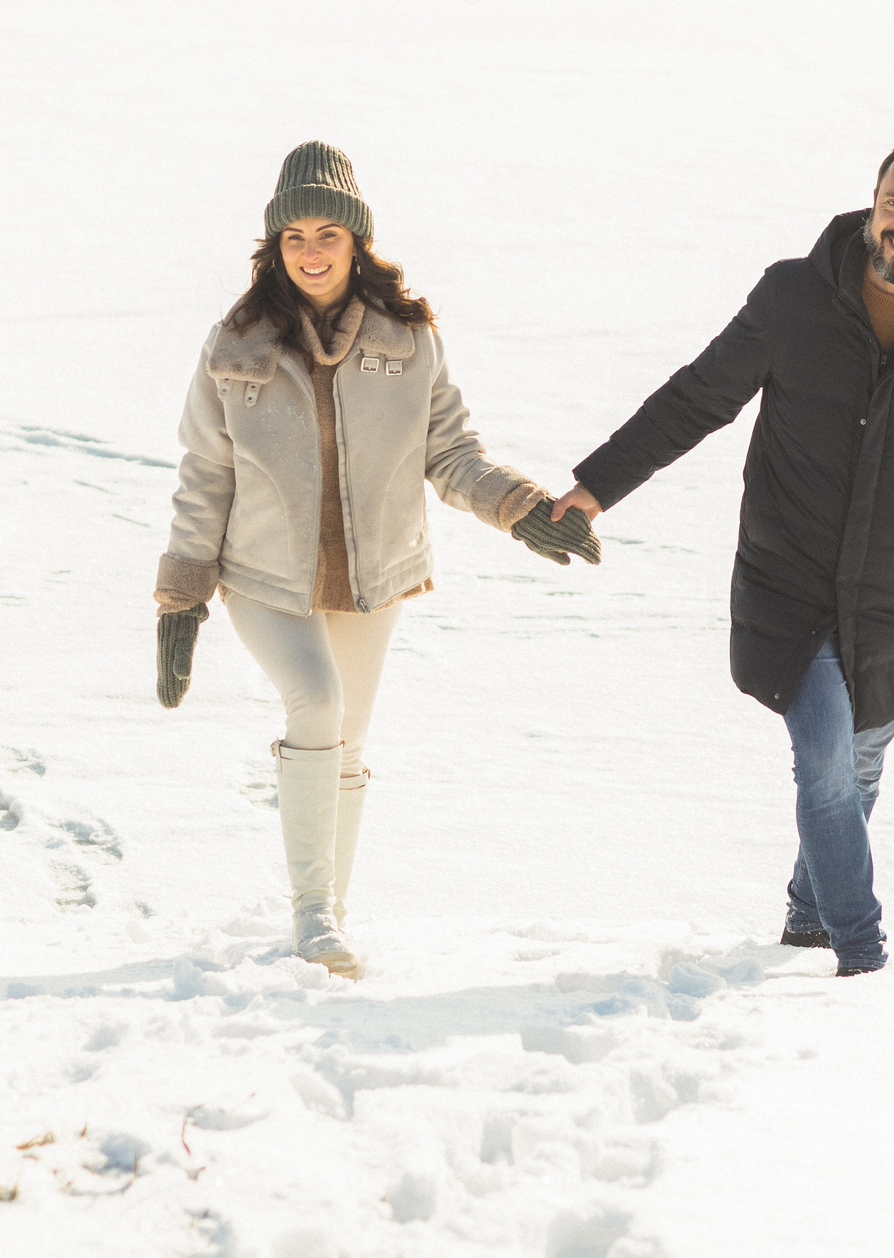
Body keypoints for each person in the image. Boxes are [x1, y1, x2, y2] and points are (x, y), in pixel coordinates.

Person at [553, 139, 894, 977]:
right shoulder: (794, 298)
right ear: (872, 202)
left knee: (860, 765)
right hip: (790, 589)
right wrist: (595, 488)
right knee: (826, 766)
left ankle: (808, 920)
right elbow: (697, 398)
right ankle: (861, 951)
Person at [153, 141, 599, 977]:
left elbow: (451, 453)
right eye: (295, 237)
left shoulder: (409, 339)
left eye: (328, 234)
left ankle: (333, 916)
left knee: (348, 740)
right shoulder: (234, 345)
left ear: (357, 240)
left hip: (373, 578)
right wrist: (182, 597)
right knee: (316, 702)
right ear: (275, 247)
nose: (312, 252)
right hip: (263, 577)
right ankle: (312, 915)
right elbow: (205, 474)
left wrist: (519, 507)